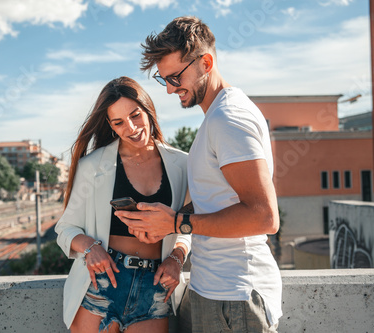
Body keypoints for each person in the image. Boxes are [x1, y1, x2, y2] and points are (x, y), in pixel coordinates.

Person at [115, 16, 282, 332]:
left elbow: (264, 216)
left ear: (206, 63)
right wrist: (166, 224)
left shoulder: (229, 119)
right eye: (163, 80)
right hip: (215, 292)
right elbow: (213, 201)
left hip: (235, 296)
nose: (169, 90)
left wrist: (177, 223)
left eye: (175, 77)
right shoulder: (216, 118)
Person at [55, 76, 191, 333]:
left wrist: (176, 257)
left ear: (148, 110)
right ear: (111, 125)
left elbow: (188, 227)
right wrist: (90, 248)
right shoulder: (92, 166)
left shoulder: (182, 165)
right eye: (119, 122)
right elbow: (66, 228)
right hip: (102, 283)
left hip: (155, 285)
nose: (131, 128)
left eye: (136, 115)